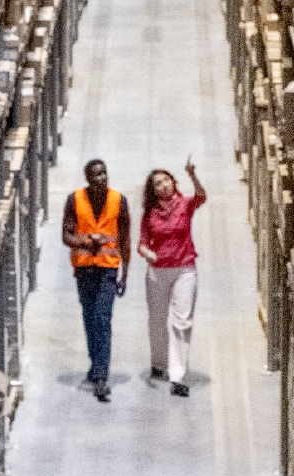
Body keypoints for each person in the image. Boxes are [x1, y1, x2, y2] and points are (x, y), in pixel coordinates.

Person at [137, 162, 209, 396]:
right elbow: (142, 244)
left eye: (167, 179)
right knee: (157, 321)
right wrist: (149, 253)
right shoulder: (149, 213)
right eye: (158, 183)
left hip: (184, 270)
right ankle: (159, 363)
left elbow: (201, 196)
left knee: (182, 322)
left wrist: (192, 174)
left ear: (173, 181)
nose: (164, 185)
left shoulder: (184, 205)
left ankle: (179, 376)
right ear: (153, 190)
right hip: (157, 272)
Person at [62, 159, 125, 401]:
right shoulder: (75, 200)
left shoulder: (118, 200)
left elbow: (125, 237)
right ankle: (95, 363)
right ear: (88, 178)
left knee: (102, 318)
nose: (102, 178)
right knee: (90, 319)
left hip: (108, 270)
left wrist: (126, 273)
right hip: (85, 271)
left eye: (104, 173)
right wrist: (87, 240)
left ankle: (101, 376)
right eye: (96, 175)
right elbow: (66, 236)